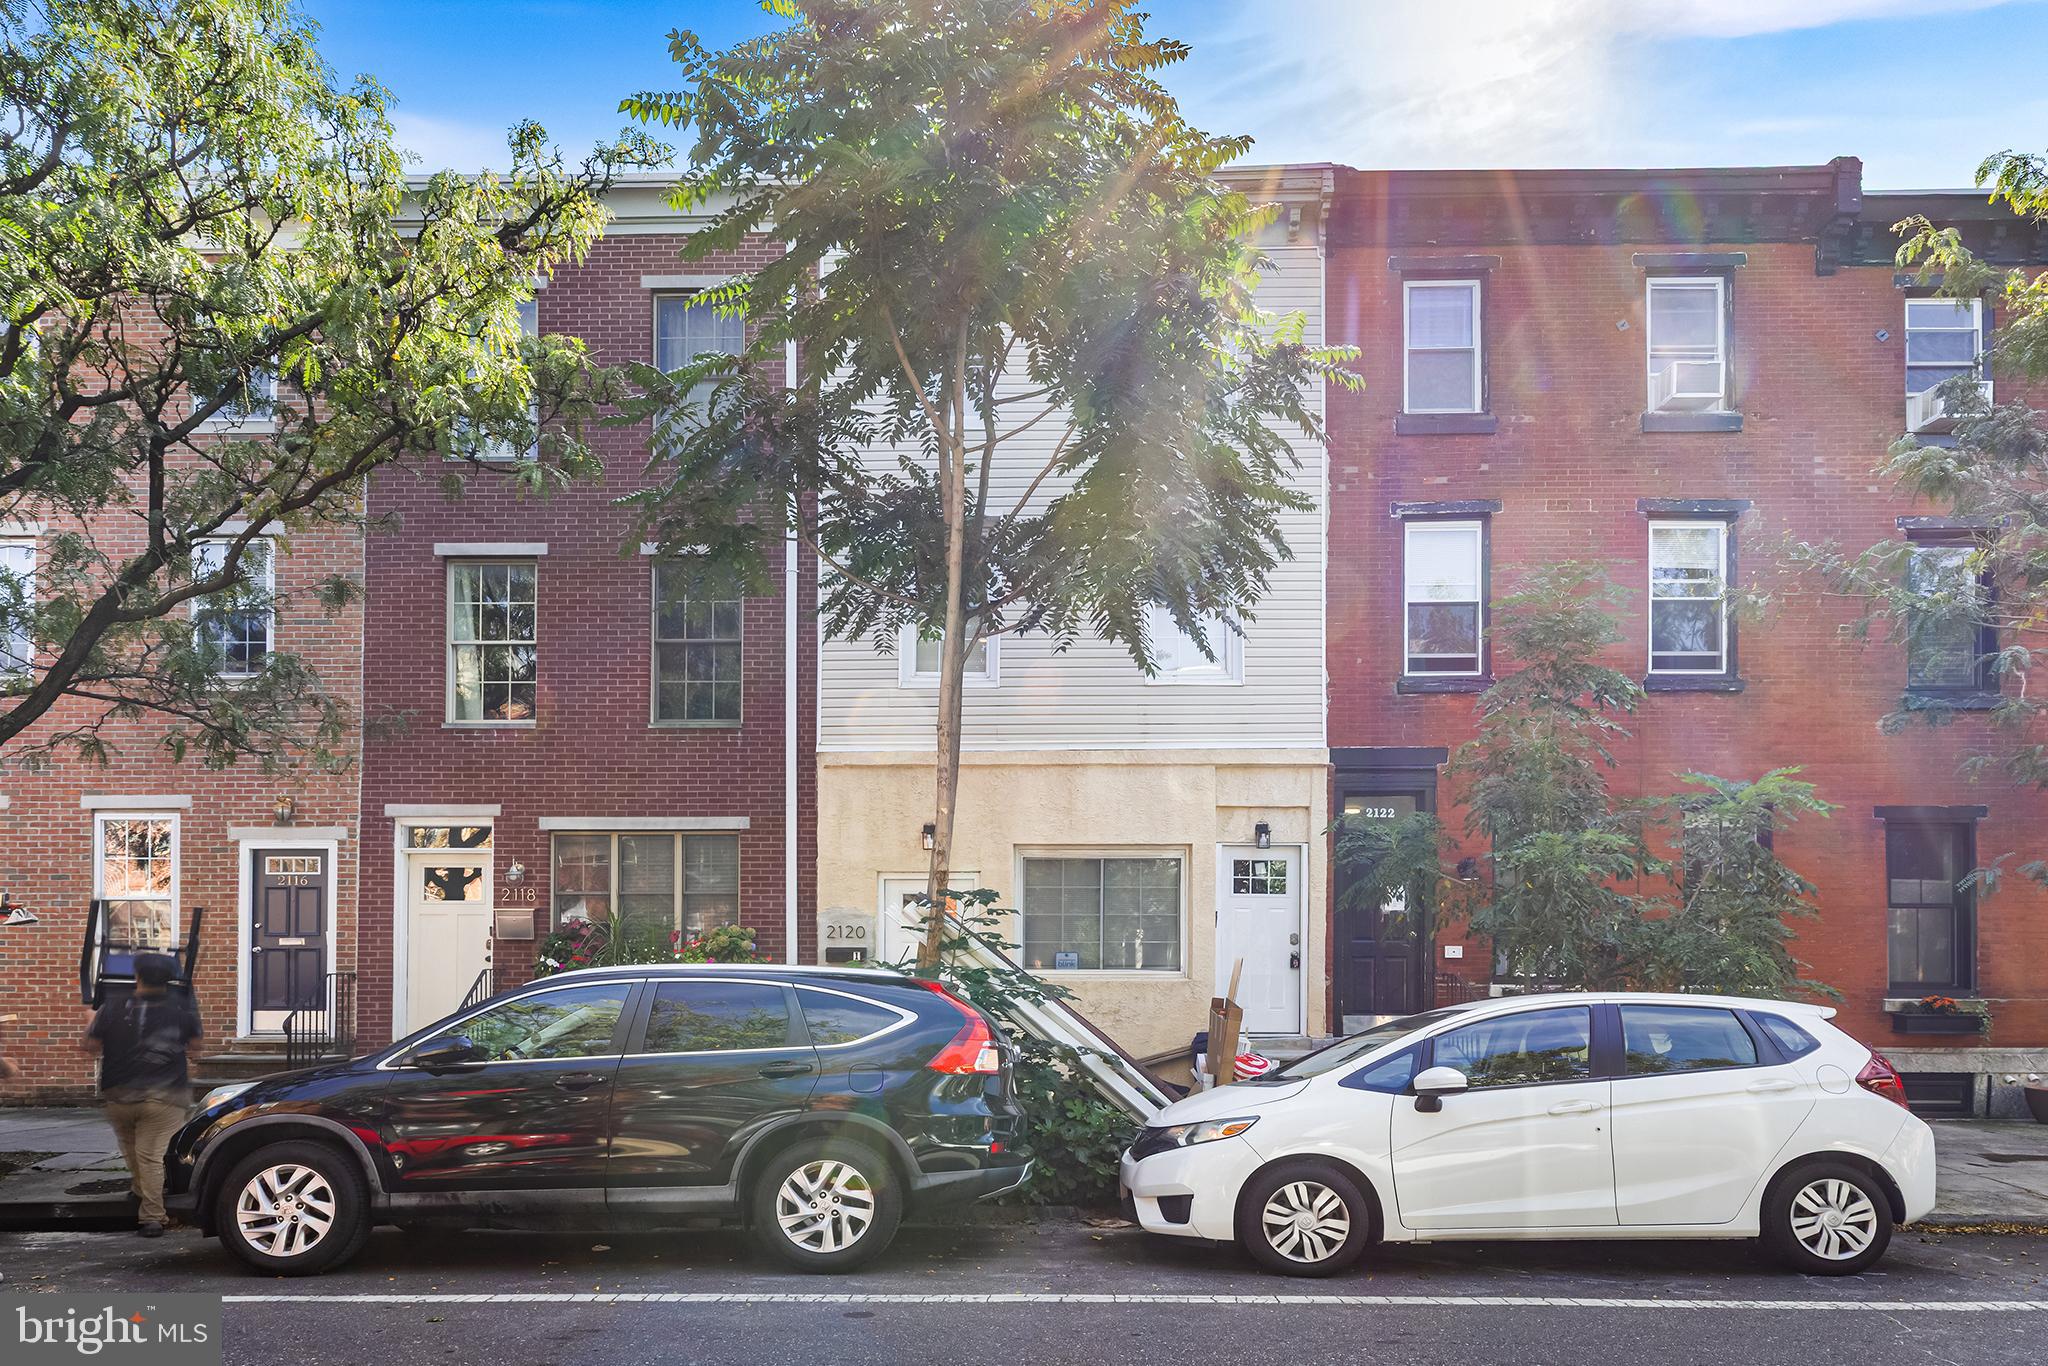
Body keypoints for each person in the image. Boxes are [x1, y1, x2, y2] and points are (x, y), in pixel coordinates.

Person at [81, 953, 201, 1237]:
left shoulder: (113, 1006)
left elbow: (90, 1047)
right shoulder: (181, 1008)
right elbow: (196, 1049)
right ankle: (152, 1216)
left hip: (119, 1092)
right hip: (165, 1094)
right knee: (150, 1155)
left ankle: (140, 1192)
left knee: (132, 1150)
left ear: (137, 976)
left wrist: (90, 1021)